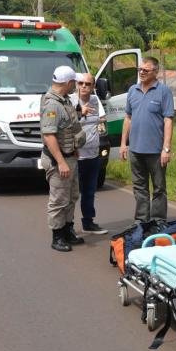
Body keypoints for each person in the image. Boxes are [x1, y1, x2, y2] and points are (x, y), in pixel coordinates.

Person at [118, 57, 174, 224]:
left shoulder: (163, 91)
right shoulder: (132, 90)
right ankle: (142, 221)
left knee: (159, 188)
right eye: (140, 69)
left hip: (156, 151)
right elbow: (127, 118)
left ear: (155, 72)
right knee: (140, 188)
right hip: (135, 150)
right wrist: (123, 144)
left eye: (145, 70)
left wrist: (166, 149)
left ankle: (158, 221)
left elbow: (168, 120)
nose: (141, 72)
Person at [40, 65, 88, 252]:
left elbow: (67, 127)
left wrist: (73, 149)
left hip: (69, 156)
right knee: (59, 199)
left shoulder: (65, 100)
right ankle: (57, 236)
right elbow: (49, 135)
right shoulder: (52, 104)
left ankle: (68, 231)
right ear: (68, 83)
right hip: (58, 160)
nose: (76, 85)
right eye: (74, 82)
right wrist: (60, 161)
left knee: (71, 196)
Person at [70, 72, 107, 234]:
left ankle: (88, 222)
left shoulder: (95, 100)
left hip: (92, 155)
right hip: (75, 156)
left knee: (89, 192)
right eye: (81, 83)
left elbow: (101, 120)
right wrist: (79, 113)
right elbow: (64, 125)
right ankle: (67, 226)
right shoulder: (69, 101)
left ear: (93, 86)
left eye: (88, 84)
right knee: (71, 194)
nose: (84, 86)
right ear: (76, 84)